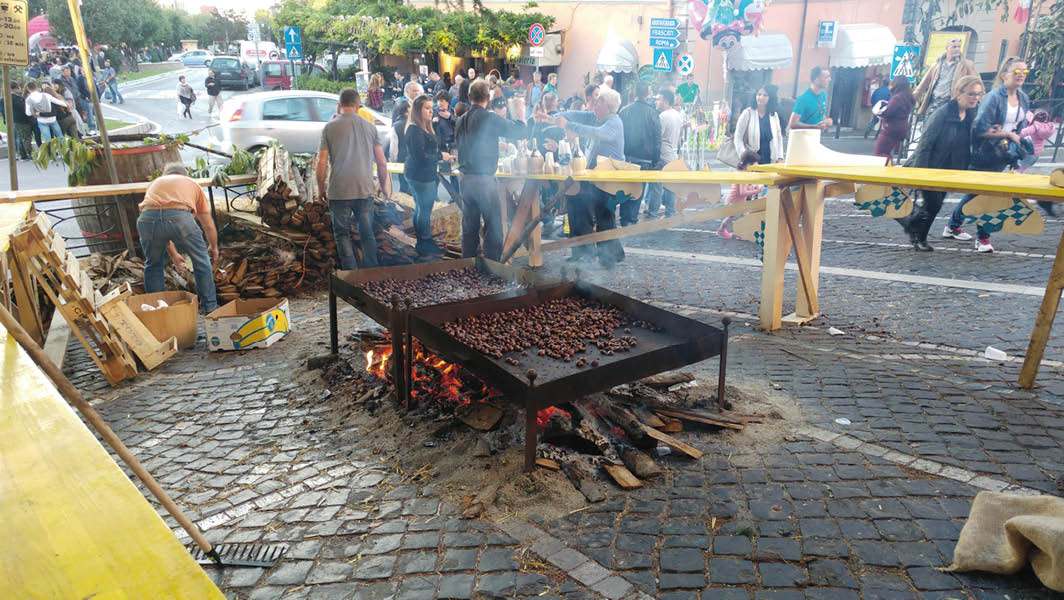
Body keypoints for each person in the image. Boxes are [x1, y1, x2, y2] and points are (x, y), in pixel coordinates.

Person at [945, 57, 1030, 253]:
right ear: (1004, 75)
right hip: (986, 153)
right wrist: (1007, 133)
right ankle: (982, 238)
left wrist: (1014, 138)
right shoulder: (994, 97)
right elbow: (979, 129)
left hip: (1004, 154)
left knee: (976, 194)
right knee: (986, 196)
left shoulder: (1023, 98)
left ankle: (952, 225)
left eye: (1025, 72)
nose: (1021, 76)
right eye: (1017, 72)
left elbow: (1019, 125)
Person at [898, 75, 984, 251]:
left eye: (978, 94)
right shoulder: (942, 114)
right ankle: (909, 225)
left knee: (934, 206)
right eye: (972, 94)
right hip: (930, 167)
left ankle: (918, 236)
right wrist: (922, 174)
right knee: (933, 204)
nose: (976, 98)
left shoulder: (969, 114)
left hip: (949, 170)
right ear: (958, 93)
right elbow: (925, 145)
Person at [549, 85, 626, 268]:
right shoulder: (597, 118)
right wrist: (554, 117)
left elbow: (596, 133)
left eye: (598, 102)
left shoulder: (614, 122)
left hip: (608, 181)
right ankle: (584, 253)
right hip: (593, 178)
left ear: (607, 106)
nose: (594, 104)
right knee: (577, 206)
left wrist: (568, 125)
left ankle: (610, 257)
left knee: (604, 217)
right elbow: (576, 115)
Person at [316, 88, 389, 270]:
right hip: (364, 189)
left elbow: (321, 161)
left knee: (342, 235)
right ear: (357, 106)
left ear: (339, 106)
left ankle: (351, 275)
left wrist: (320, 187)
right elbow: (381, 161)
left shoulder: (329, 127)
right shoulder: (370, 127)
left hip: (338, 191)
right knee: (367, 233)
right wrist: (383, 184)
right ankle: (370, 273)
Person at [454, 80, 527, 260]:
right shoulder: (490, 118)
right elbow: (519, 132)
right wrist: (521, 113)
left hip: (465, 180)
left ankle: (467, 268)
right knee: (493, 227)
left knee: (469, 228)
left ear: (470, 98)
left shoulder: (460, 120)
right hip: (484, 180)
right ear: (488, 98)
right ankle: (491, 269)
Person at [136, 163, 219, 313]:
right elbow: (208, 224)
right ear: (185, 176)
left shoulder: (155, 184)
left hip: (146, 219)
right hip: (180, 216)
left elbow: (161, 226)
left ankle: (157, 311)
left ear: (165, 175)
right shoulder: (192, 183)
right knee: (201, 262)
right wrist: (214, 247)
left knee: (153, 264)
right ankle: (210, 309)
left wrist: (173, 254)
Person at [405, 94, 454, 257]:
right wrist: (441, 157)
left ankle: (422, 242)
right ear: (418, 111)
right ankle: (424, 242)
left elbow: (429, 151)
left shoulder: (424, 127)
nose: (430, 111)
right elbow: (421, 157)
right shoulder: (414, 129)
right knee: (424, 210)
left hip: (422, 173)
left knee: (420, 209)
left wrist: (442, 154)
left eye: (430, 107)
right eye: (426, 108)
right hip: (420, 175)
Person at [617, 81, 661, 226]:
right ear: (647, 94)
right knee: (638, 191)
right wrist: (655, 160)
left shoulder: (624, 111)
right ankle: (633, 219)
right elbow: (656, 139)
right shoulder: (653, 112)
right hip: (645, 158)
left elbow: (619, 135)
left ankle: (624, 219)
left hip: (627, 156)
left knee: (626, 188)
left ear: (635, 93)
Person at [913, 37, 978, 116]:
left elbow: (977, 83)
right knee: (929, 126)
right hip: (934, 103)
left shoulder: (966, 65)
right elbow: (922, 86)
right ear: (947, 48)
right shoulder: (936, 65)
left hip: (952, 104)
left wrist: (980, 102)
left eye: (959, 47)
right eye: (954, 47)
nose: (957, 49)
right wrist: (910, 100)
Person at [645, 89, 682, 219]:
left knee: (657, 186)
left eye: (659, 99)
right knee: (671, 186)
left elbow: (657, 138)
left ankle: (653, 213)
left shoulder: (663, 117)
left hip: (662, 156)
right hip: (673, 155)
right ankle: (670, 212)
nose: (656, 101)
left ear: (665, 101)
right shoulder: (678, 115)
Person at [732, 84, 784, 165]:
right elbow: (738, 138)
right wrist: (745, 157)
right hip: (751, 161)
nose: (761, 97)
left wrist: (780, 157)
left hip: (769, 160)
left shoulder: (773, 115)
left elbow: (779, 138)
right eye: (759, 94)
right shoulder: (747, 113)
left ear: (771, 98)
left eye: (765, 95)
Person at [718, 151, 765, 238]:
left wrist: (752, 188)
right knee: (739, 217)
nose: (757, 165)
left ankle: (725, 231)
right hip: (735, 202)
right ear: (748, 163)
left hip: (736, 201)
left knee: (735, 217)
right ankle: (740, 233)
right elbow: (742, 192)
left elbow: (743, 189)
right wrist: (757, 191)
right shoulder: (743, 175)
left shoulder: (743, 173)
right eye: (756, 163)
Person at [1020, 109, 1056, 215]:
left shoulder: (1034, 127)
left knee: (1017, 171)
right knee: (1020, 170)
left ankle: (1018, 192)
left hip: (1028, 152)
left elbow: (1022, 133)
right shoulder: (1048, 126)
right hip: (1035, 155)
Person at [873, 77, 915, 159]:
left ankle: (887, 169)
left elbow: (888, 112)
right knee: (886, 152)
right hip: (901, 127)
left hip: (891, 128)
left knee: (880, 153)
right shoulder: (908, 97)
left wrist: (879, 112)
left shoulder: (897, 98)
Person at [790, 66, 834, 130]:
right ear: (816, 80)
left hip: (815, 137)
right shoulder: (803, 98)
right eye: (826, 77)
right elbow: (792, 124)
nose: (830, 79)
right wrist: (814, 126)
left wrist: (826, 121)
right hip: (802, 138)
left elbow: (820, 114)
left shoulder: (823, 95)